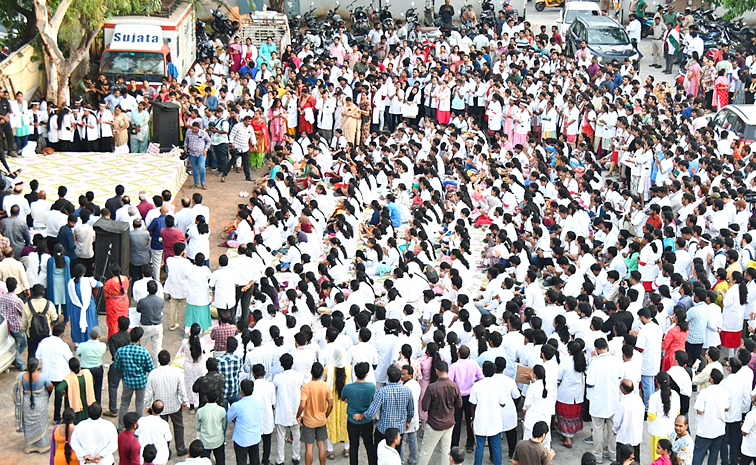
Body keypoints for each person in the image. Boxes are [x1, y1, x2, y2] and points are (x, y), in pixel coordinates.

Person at [417, 360, 462, 465]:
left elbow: (424, 407)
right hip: (449, 422)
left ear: (436, 371)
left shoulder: (432, 387)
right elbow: (459, 405)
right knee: (446, 451)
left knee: (426, 452)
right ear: (448, 370)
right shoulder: (454, 386)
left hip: (434, 424)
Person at [145, 349, 189, 456]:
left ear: (159, 360)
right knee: (178, 426)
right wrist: (184, 401)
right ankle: (180, 448)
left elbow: (149, 392)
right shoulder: (176, 372)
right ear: (169, 360)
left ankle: (166, 451)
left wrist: (148, 405)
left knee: (162, 429)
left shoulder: (153, 374)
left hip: (159, 408)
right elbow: (182, 390)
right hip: (174, 405)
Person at [585, 338, 623, 464]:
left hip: (598, 402)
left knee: (597, 430)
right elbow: (620, 378)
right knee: (613, 430)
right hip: (613, 401)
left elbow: (589, 383)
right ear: (607, 346)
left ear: (596, 349)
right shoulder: (616, 361)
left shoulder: (595, 363)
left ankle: (598, 455)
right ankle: (613, 453)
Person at [113, 326, 154, 431]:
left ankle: (121, 427)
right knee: (139, 404)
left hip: (127, 381)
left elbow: (117, 366)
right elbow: (150, 368)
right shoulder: (144, 352)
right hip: (141, 381)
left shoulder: (121, 351)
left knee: (124, 403)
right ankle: (138, 427)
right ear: (140, 338)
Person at [12, 357, 53, 453]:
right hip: (40, 404)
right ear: (37, 367)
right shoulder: (42, 377)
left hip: (27, 403)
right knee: (41, 423)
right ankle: (42, 447)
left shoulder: (21, 377)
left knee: (29, 424)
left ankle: (30, 446)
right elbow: (50, 386)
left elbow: (15, 389)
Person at [470, 360, 507, 465]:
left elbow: (473, 404)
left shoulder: (477, 386)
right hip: (494, 419)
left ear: (483, 371)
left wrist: (473, 418)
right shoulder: (499, 385)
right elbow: (503, 403)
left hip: (480, 419)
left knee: (479, 446)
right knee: (496, 446)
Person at [298, 362, 334, 465]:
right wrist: (326, 415)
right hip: (321, 420)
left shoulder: (306, 387)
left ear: (311, 372)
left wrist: (298, 416)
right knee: (321, 445)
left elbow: (302, 405)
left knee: (309, 447)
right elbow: (331, 404)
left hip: (309, 421)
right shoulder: (326, 386)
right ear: (322, 373)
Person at [449, 345, 483, 452]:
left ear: (458, 354)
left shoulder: (454, 366)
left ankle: (455, 444)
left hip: (457, 395)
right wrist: (473, 384)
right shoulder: (473, 364)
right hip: (470, 395)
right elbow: (481, 377)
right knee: (470, 419)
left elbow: (450, 381)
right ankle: (470, 444)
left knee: (457, 420)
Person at [36, 323, 72, 423]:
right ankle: (58, 417)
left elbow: (37, 356)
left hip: (47, 376)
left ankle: (40, 415)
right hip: (61, 375)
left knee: (44, 397)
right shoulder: (63, 345)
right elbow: (70, 358)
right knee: (60, 397)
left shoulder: (44, 342)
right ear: (62, 334)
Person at [691, 368, 729, 465]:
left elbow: (699, 411)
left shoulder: (705, 392)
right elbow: (727, 408)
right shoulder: (724, 392)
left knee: (698, 455)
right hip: (719, 429)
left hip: (705, 429)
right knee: (714, 455)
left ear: (711, 380)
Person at [342, 361, 377, 465]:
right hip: (367, 420)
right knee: (369, 445)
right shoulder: (371, 387)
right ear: (366, 374)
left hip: (352, 421)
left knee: (353, 446)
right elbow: (372, 400)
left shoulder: (348, 388)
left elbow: (343, 398)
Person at [274, 353, 305, 465]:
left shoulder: (277, 378)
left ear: (281, 364)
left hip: (282, 410)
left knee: (280, 437)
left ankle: (280, 459)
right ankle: (296, 457)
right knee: (296, 435)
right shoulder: (299, 376)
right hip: (296, 410)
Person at [228, 378, 264, 465]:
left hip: (241, 439)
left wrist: (235, 419)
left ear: (241, 391)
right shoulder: (258, 402)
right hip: (254, 437)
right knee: (255, 460)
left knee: (241, 461)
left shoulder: (237, 405)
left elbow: (229, 418)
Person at [67, 265, 101, 346]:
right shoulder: (88, 280)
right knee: (90, 322)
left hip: (76, 307)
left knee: (76, 323)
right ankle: (91, 340)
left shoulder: (70, 282)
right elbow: (99, 284)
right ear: (83, 273)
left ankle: (77, 343)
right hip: (88, 306)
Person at [612, 379, 645, 464]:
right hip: (635, 437)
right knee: (635, 459)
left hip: (624, 438)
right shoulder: (638, 399)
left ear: (623, 389)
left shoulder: (622, 404)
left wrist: (614, 430)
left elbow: (617, 421)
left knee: (621, 460)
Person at [250, 363, 276, 465]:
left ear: (253, 374)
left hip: (255, 416)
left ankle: (255, 461)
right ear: (264, 373)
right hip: (267, 415)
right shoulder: (270, 385)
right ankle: (265, 460)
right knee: (267, 440)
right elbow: (273, 402)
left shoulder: (252, 386)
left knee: (255, 442)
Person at [0, 276, 26, 370]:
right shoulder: (17, 300)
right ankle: (17, 359)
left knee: (13, 344)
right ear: (16, 287)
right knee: (23, 343)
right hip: (16, 326)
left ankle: (15, 358)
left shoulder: (2, 298)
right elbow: (23, 312)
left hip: (6, 325)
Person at [137, 280, 164, 364]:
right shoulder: (161, 301)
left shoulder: (142, 301)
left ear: (147, 289)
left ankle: (139, 364)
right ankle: (157, 366)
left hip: (145, 326)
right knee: (157, 349)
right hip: (157, 326)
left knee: (140, 347)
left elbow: (138, 310)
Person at [197, 389, 227, 465]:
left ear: (206, 397)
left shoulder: (200, 411)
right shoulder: (222, 410)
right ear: (217, 398)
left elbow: (197, 426)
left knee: (204, 462)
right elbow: (224, 425)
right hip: (218, 440)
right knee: (220, 461)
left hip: (205, 441)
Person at [185, 253, 212, 331]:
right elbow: (210, 279)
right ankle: (202, 329)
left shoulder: (189, 268)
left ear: (195, 260)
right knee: (202, 314)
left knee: (190, 314)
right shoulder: (206, 270)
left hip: (191, 295)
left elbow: (185, 276)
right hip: (202, 296)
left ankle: (187, 330)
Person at [103, 262, 129, 340]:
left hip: (113, 305)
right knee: (124, 319)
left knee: (113, 322)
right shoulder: (125, 278)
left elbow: (105, 295)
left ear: (111, 272)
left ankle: (113, 339)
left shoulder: (109, 283)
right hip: (124, 302)